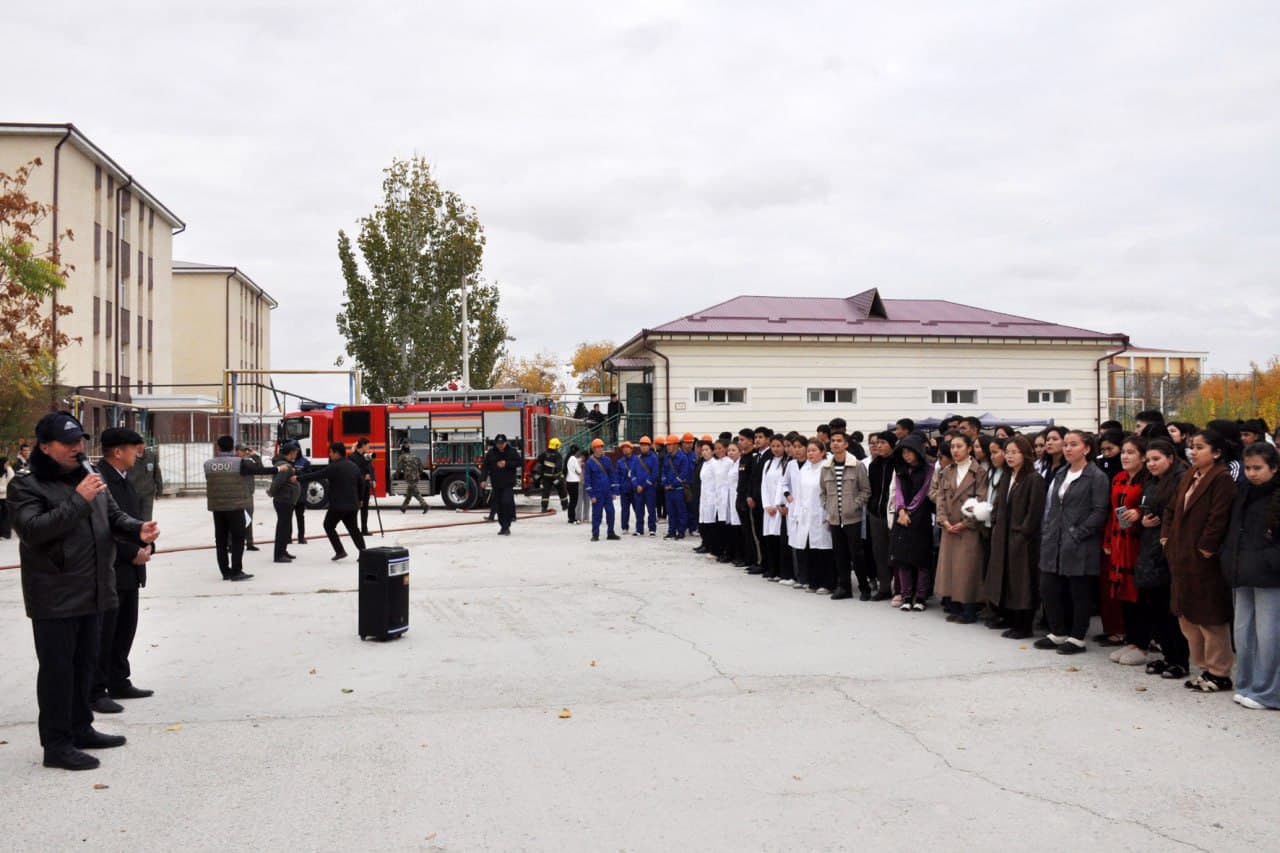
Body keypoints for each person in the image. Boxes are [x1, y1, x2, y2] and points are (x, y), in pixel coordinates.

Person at [8, 412, 158, 771]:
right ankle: (57, 744)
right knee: (58, 672)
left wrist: (139, 529)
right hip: (55, 595)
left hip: (95, 589)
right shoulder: (26, 485)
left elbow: (112, 515)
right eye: (69, 443)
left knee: (85, 667)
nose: (79, 449)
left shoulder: (88, 475)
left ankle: (81, 728)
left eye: (80, 441)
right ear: (45, 447)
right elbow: (34, 530)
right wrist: (77, 499)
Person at [1163, 428, 1237, 692]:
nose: (1193, 452)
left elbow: (1218, 518)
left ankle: (1219, 672)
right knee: (1187, 616)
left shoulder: (1222, 479)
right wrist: (1166, 539)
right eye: (1192, 447)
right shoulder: (1190, 475)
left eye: (1200, 447)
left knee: (1209, 617)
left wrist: (1206, 548)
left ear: (1216, 453)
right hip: (1180, 556)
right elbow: (1171, 508)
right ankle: (1204, 668)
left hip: (1204, 561)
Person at [88, 428, 155, 716]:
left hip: (132, 567)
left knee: (126, 627)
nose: (137, 453)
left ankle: (119, 679)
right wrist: (132, 552)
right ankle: (97, 689)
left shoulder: (125, 479)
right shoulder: (100, 481)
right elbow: (102, 526)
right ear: (117, 451)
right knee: (106, 632)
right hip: (113, 567)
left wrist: (149, 544)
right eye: (132, 448)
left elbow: (135, 519)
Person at [1036, 430, 1110, 654]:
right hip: (1054, 540)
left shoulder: (1096, 477)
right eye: (1066, 444)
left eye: (1073, 444)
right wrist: (1049, 530)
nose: (1068, 448)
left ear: (1086, 449)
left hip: (1080, 542)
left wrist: (1078, 533)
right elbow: (1052, 506)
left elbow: (1099, 512)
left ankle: (1077, 636)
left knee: (1079, 592)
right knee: (1049, 587)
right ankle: (1057, 632)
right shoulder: (1061, 473)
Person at [1222, 442, 1280, 709]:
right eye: (1248, 468)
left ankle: (1269, 692)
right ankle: (1246, 684)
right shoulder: (1242, 491)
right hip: (1241, 570)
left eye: (1258, 468)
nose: (1252, 473)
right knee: (1243, 634)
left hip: (1270, 576)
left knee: (1270, 637)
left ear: (1274, 468)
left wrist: (1270, 560)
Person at [1135, 440, 1192, 681]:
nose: (1151, 464)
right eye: (1148, 460)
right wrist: (1142, 519)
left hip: (1169, 552)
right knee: (1155, 607)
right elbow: (1145, 509)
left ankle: (1179, 660)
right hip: (1150, 549)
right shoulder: (1152, 481)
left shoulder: (1181, 479)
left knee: (1171, 610)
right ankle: (1168, 655)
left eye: (1156, 459)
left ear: (1171, 458)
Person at [983, 435, 1044, 638]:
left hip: (1022, 539)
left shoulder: (1033, 479)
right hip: (1003, 536)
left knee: (1022, 582)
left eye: (1014, 452)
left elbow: (1034, 513)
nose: (1009, 456)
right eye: (1007, 452)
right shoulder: (1008, 476)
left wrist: (1022, 535)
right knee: (1006, 579)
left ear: (1025, 454)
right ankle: (1009, 619)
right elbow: (1000, 504)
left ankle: (1024, 625)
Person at [204, 436, 280, 581]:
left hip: (217, 507)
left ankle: (225, 572)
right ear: (233, 447)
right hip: (236, 506)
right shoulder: (240, 463)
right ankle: (237, 571)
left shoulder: (208, 464)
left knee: (221, 541)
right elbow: (259, 470)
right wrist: (278, 469)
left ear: (218, 448)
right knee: (238, 539)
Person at [1103, 435, 1149, 665]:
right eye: (1124, 452)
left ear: (1143, 456)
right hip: (1119, 541)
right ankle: (1130, 640)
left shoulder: (1147, 480)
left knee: (1137, 593)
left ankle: (1142, 643)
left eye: (1131, 452)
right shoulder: (1119, 478)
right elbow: (1113, 512)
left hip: (1137, 542)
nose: (1125, 456)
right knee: (1122, 591)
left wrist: (1139, 514)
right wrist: (1108, 540)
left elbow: (1150, 507)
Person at [934, 432, 989, 623]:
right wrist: (944, 521)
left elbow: (983, 500)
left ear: (969, 448)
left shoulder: (979, 472)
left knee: (968, 569)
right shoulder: (946, 471)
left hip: (968, 527)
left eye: (959, 446)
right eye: (953, 447)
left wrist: (966, 523)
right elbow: (940, 498)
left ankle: (969, 608)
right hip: (949, 526)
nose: (955, 450)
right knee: (950, 568)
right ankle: (954, 605)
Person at [820, 430, 872, 600]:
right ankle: (844, 588)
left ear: (846, 444)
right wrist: (827, 506)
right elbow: (822, 491)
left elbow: (865, 490)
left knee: (856, 555)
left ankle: (864, 587)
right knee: (839, 555)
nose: (835, 444)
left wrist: (855, 505)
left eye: (839, 441)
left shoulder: (857, 465)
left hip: (853, 518)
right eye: (833, 441)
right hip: (835, 518)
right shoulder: (826, 467)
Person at [300, 442, 367, 560]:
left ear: (336, 453)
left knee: (328, 525)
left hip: (338, 505)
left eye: (330, 452)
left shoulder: (334, 467)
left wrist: (298, 478)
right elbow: (361, 483)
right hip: (352, 504)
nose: (330, 455)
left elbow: (316, 475)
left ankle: (340, 551)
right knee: (354, 529)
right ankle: (364, 553)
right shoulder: (353, 466)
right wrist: (360, 499)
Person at [787, 439, 833, 593]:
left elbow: (829, 493)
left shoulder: (826, 468)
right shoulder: (804, 470)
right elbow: (798, 494)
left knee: (823, 550)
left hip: (821, 514)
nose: (811, 454)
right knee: (809, 548)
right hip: (805, 515)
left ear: (822, 452)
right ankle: (812, 581)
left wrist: (828, 514)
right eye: (809, 451)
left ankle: (826, 583)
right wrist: (797, 514)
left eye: (814, 450)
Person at [865, 432, 897, 601]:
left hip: (893, 514)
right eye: (876, 443)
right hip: (876, 514)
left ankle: (900, 589)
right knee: (879, 552)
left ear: (892, 444)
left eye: (883, 442)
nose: (878, 446)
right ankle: (884, 587)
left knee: (896, 553)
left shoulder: (898, 463)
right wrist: (871, 506)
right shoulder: (874, 465)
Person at [759, 434, 792, 582]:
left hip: (780, 507)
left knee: (780, 539)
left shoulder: (786, 463)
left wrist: (778, 504)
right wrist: (767, 505)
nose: (776, 449)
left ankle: (780, 570)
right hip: (769, 508)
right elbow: (763, 486)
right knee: (769, 538)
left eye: (779, 446)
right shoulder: (767, 464)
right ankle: (771, 569)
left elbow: (782, 485)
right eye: (773, 446)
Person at [481, 434, 522, 535]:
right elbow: (485, 467)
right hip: (496, 483)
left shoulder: (512, 451)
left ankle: (507, 526)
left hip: (508, 483)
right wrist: (483, 480)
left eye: (502, 443)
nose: (500, 445)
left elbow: (520, 462)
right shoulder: (491, 453)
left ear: (505, 443)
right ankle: (503, 526)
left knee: (506, 503)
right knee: (499, 506)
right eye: (498, 443)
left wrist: (506, 463)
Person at [269, 443, 301, 563]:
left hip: (287, 500)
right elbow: (277, 483)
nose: (297, 454)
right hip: (284, 500)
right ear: (291, 452)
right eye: (295, 452)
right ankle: (279, 554)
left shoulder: (286, 465)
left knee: (285, 527)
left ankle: (283, 550)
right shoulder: (284, 466)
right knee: (283, 527)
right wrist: (271, 493)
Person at [584, 438, 620, 541]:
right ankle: (595, 534)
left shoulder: (607, 460)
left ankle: (611, 533)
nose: (600, 449)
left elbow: (612, 475)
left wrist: (614, 491)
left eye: (601, 447)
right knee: (597, 514)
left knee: (611, 513)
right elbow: (587, 480)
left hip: (607, 492)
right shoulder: (589, 463)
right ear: (593, 449)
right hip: (597, 493)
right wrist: (592, 495)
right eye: (598, 447)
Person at [236, 444, 265, 551]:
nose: (244, 452)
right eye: (242, 451)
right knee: (234, 520)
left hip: (248, 494)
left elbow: (260, 468)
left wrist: (254, 456)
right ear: (237, 451)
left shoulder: (248, 462)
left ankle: (249, 542)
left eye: (245, 451)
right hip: (236, 495)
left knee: (248, 519)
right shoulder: (234, 463)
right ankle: (231, 543)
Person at [662, 433, 691, 540]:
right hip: (668, 490)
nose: (668, 447)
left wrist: (672, 484)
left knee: (681, 511)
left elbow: (683, 474)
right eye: (667, 445)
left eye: (669, 445)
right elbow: (664, 472)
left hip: (678, 489)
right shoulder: (667, 457)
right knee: (671, 512)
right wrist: (665, 483)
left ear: (675, 445)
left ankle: (681, 531)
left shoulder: (682, 458)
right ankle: (671, 531)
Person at [125, 443, 162, 521]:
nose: (140, 446)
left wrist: (159, 490)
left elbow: (157, 473)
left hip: (147, 493)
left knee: (147, 518)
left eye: (141, 443)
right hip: (133, 493)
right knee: (134, 517)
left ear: (144, 444)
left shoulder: (151, 456)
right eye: (137, 444)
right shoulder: (129, 456)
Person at [631, 436, 659, 536]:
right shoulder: (636, 459)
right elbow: (632, 474)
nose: (643, 447)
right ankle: (639, 529)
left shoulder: (654, 458)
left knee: (651, 509)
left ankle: (652, 529)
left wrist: (643, 485)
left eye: (645, 445)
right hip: (638, 489)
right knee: (639, 510)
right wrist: (636, 485)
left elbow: (655, 474)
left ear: (649, 446)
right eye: (642, 445)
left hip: (649, 489)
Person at [535, 437, 570, 513]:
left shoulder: (544, 454)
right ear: (556, 446)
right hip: (555, 477)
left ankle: (544, 507)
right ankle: (565, 506)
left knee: (545, 493)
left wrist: (539, 474)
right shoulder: (557, 455)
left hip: (546, 478)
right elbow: (559, 467)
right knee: (562, 491)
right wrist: (559, 477)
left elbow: (538, 462)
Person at [396, 442, 429, 513]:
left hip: (409, 477)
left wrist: (397, 475)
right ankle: (403, 507)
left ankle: (424, 505)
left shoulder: (402, 457)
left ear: (403, 450)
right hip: (416, 476)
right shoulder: (415, 456)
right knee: (409, 492)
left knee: (415, 492)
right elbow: (421, 468)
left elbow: (399, 468)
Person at [352, 437, 375, 536]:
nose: (369, 447)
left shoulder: (366, 456)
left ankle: (364, 529)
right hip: (357, 486)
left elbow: (371, 469)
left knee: (365, 508)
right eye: (368, 445)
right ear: (363, 445)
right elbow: (353, 472)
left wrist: (373, 479)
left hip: (366, 486)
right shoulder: (352, 457)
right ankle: (354, 530)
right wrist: (363, 477)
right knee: (356, 508)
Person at [615, 441, 637, 532]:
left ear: (631, 449)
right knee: (624, 509)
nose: (625, 449)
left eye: (627, 447)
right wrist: (618, 488)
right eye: (623, 448)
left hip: (635, 489)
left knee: (638, 509)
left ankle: (639, 527)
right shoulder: (620, 462)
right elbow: (617, 476)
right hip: (624, 489)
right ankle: (624, 527)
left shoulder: (637, 460)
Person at [293, 448, 312, 544]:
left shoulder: (305, 462)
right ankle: (287, 537)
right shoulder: (288, 461)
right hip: (290, 495)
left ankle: (301, 537)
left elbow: (309, 475)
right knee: (287, 518)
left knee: (300, 516)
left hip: (300, 493)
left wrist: (297, 472)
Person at [565, 444, 583, 524]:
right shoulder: (574, 459)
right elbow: (578, 470)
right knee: (574, 501)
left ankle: (570, 517)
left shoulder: (568, 458)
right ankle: (572, 518)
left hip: (568, 481)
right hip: (574, 481)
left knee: (571, 500)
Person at [0, 454, 14, 539]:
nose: (7, 465)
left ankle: (6, 534)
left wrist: (3, 490)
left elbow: (12, 484)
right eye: (6, 463)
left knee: (6, 516)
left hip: (6, 497)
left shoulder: (9, 470)